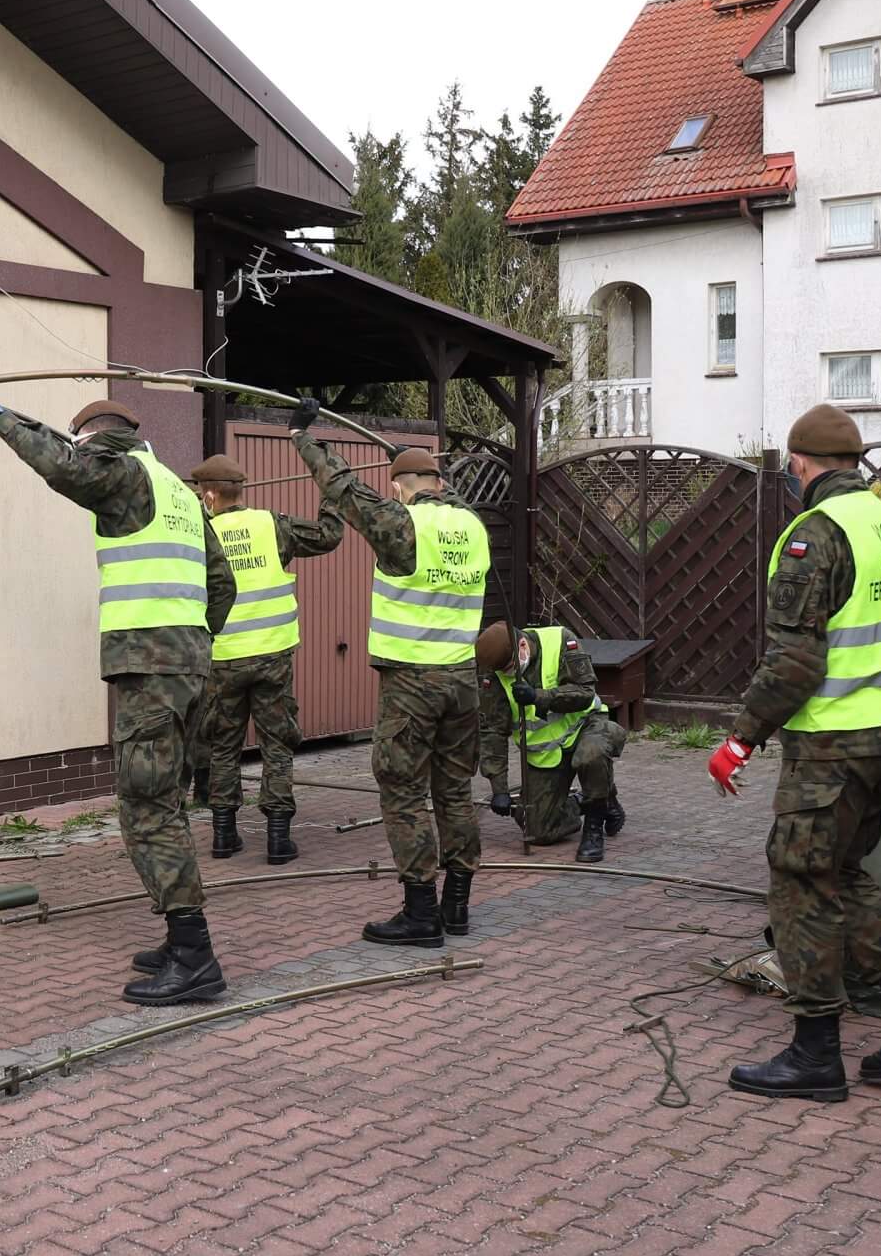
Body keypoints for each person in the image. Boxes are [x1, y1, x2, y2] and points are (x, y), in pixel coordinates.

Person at [711, 403, 881, 1102]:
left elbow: (795, 661)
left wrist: (741, 739)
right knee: (842, 872)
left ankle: (814, 1053)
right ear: (857, 463)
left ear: (798, 466)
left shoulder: (814, 536)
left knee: (799, 880)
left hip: (832, 749)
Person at [0, 371, 238, 1005]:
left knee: (148, 806)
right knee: (163, 796)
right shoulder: (176, 490)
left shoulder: (120, 474)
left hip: (151, 671)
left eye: (84, 445)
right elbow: (221, 585)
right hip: (186, 667)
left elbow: (65, 468)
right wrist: (192, 642)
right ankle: (180, 942)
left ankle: (195, 956)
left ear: (99, 441)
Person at [290, 401, 488, 945]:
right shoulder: (470, 524)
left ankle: (421, 912)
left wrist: (304, 437)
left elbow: (348, 492)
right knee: (454, 792)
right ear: (440, 482)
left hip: (412, 685)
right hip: (462, 683)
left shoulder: (403, 524)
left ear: (399, 487)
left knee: (401, 790)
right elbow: (441, 491)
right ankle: (458, 906)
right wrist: (413, 463)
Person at [189, 453, 344, 865]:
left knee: (224, 745)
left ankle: (224, 836)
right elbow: (329, 535)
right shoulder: (271, 525)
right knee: (277, 745)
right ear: (239, 491)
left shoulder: (198, 534)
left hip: (223, 660)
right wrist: (331, 491)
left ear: (208, 495)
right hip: (273, 656)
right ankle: (278, 839)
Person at [476, 621, 628, 867]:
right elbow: (492, 731)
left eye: (509, 668)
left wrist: (539, 697)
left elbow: (585, 691)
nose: (505, 674)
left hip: (586, 726)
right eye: (500, 671)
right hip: (546, 755)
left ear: (523, 645)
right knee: (537, 831)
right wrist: (499, 788)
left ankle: (594, 825)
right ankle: (591, 799)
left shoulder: (560, 640)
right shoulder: (492, 674)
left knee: (590, 756)